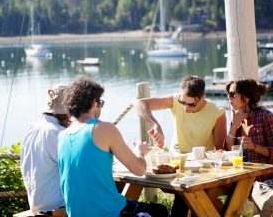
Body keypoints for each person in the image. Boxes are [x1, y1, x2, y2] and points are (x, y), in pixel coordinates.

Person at [58, 76, 168, 217]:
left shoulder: (62, 136)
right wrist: (140, 152)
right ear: (94, 102)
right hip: (108, 212)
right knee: (159, 212)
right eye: (100, 103)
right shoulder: (102, 128)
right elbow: (139, 170)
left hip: (76, 213)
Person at [134, 75, 227, 216]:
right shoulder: (175, 101)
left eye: (191, 104)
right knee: (184, 194)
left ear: (203, 97)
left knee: (188, 195)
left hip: (201, 170)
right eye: (183, 102)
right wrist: (155, 124)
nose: (185, 108)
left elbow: (220, 149)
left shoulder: (216, 112)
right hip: (175, 167)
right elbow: (139, 104)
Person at [20, 86, 71, 215]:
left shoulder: (32, 128)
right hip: (56, 206)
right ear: (66, 114)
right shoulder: (58, 133)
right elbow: (77, 169)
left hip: (36, 204)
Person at [225, 78, 273, 181]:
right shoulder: (237, 118)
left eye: (232, 94)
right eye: (228, 94)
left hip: (266, 180)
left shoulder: (266, 116)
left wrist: (254, 146)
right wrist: (234, 126)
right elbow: (229, 150)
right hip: (242, 178)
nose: (229, 98)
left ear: (246, 97)